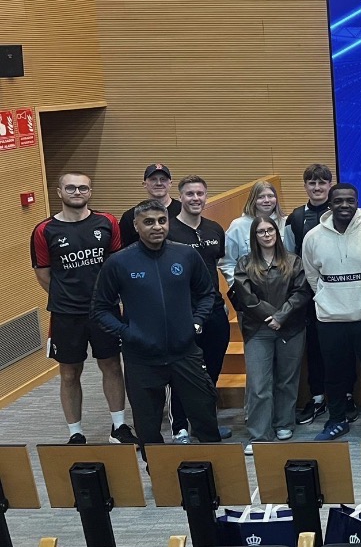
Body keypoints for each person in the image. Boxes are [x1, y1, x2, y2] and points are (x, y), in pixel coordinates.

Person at [92, 200, 219, 452]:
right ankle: (161, 481)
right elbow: (100, 309)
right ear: (136, 226)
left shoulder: (186, 255)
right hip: (142, 359)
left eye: (162, 221)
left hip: (185, 354)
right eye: (149, 222)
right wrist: (128, 334)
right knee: (148, 431)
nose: (157, 227)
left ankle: (214, 480)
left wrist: (195, 322)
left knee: (205, 420)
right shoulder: (118, 262)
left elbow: (207, 294)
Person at [31, 172, 137, 445]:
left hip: (105, 311)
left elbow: (116, 265)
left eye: (82, 188)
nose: (77, 192)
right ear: (59, 192)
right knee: (69, 373)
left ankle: (119, 427)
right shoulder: (44, 230)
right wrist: (68, 298)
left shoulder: (107, 222)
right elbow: (43, 273)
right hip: (66, 315)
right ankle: (75, 433)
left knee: (112, 365)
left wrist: (105, 298)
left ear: (90, 192)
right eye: (70, 188)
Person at [301, 183, 361, 441]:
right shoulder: (313, 237)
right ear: (330, 203)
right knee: (334, 374)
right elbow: (311, 275)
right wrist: (326, 297)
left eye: (350, 201)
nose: (344, 205)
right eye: (339, 201)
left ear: (357, 202)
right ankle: (337, 420)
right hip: (330, 319)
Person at [232, 216, 311, 453]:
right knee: (258, 383)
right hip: (258, 329)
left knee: (287, 380)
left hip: (291, 328)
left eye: (270, 230)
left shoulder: (294, 261)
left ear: (277, 233)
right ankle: (259, 435)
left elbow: (301, 293)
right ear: (254, 236)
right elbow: (246, 298)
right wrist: (272, 316)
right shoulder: (244, 263)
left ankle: (284, 423)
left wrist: (282, 316)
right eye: (261, 232)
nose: (266, 235)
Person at [166, 175, 230, 442]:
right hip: (182, 313)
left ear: (206, 197)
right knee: (182, 372)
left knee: (211, 370)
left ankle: (205, 423)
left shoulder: (214, 229)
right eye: (190, 194)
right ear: (180, 197)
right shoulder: (168, 230)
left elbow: (223, 266)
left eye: (200, 194)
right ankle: (179, 426)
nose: (195, 198)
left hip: (213, 310)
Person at [287, 163, 333, 425]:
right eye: (311, 183)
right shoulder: (295, 217)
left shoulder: (340, 210)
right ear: (305, 186)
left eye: (322, 183)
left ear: (330, 185)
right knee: (314, 348)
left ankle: (345, 395)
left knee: (339, 348)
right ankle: (317, 397)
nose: (317, 188)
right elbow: (292, 257)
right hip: (309, 295)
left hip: (339, 294)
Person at [220, 180, 294, 285]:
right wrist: (240, 287)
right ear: (253, 200)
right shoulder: (238, 226)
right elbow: (227, 262)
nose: (267, 200)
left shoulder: (287, 222)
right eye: (261, 197)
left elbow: (294, 258)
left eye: (270, 196)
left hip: (284, 287)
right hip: (249, 290)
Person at [119, 163, 182, 246]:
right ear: (144, 184)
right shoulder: (130, 216)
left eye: (163, 179)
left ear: (170, 183)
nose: (159, 183)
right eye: (153, 179)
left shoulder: (184, 211)